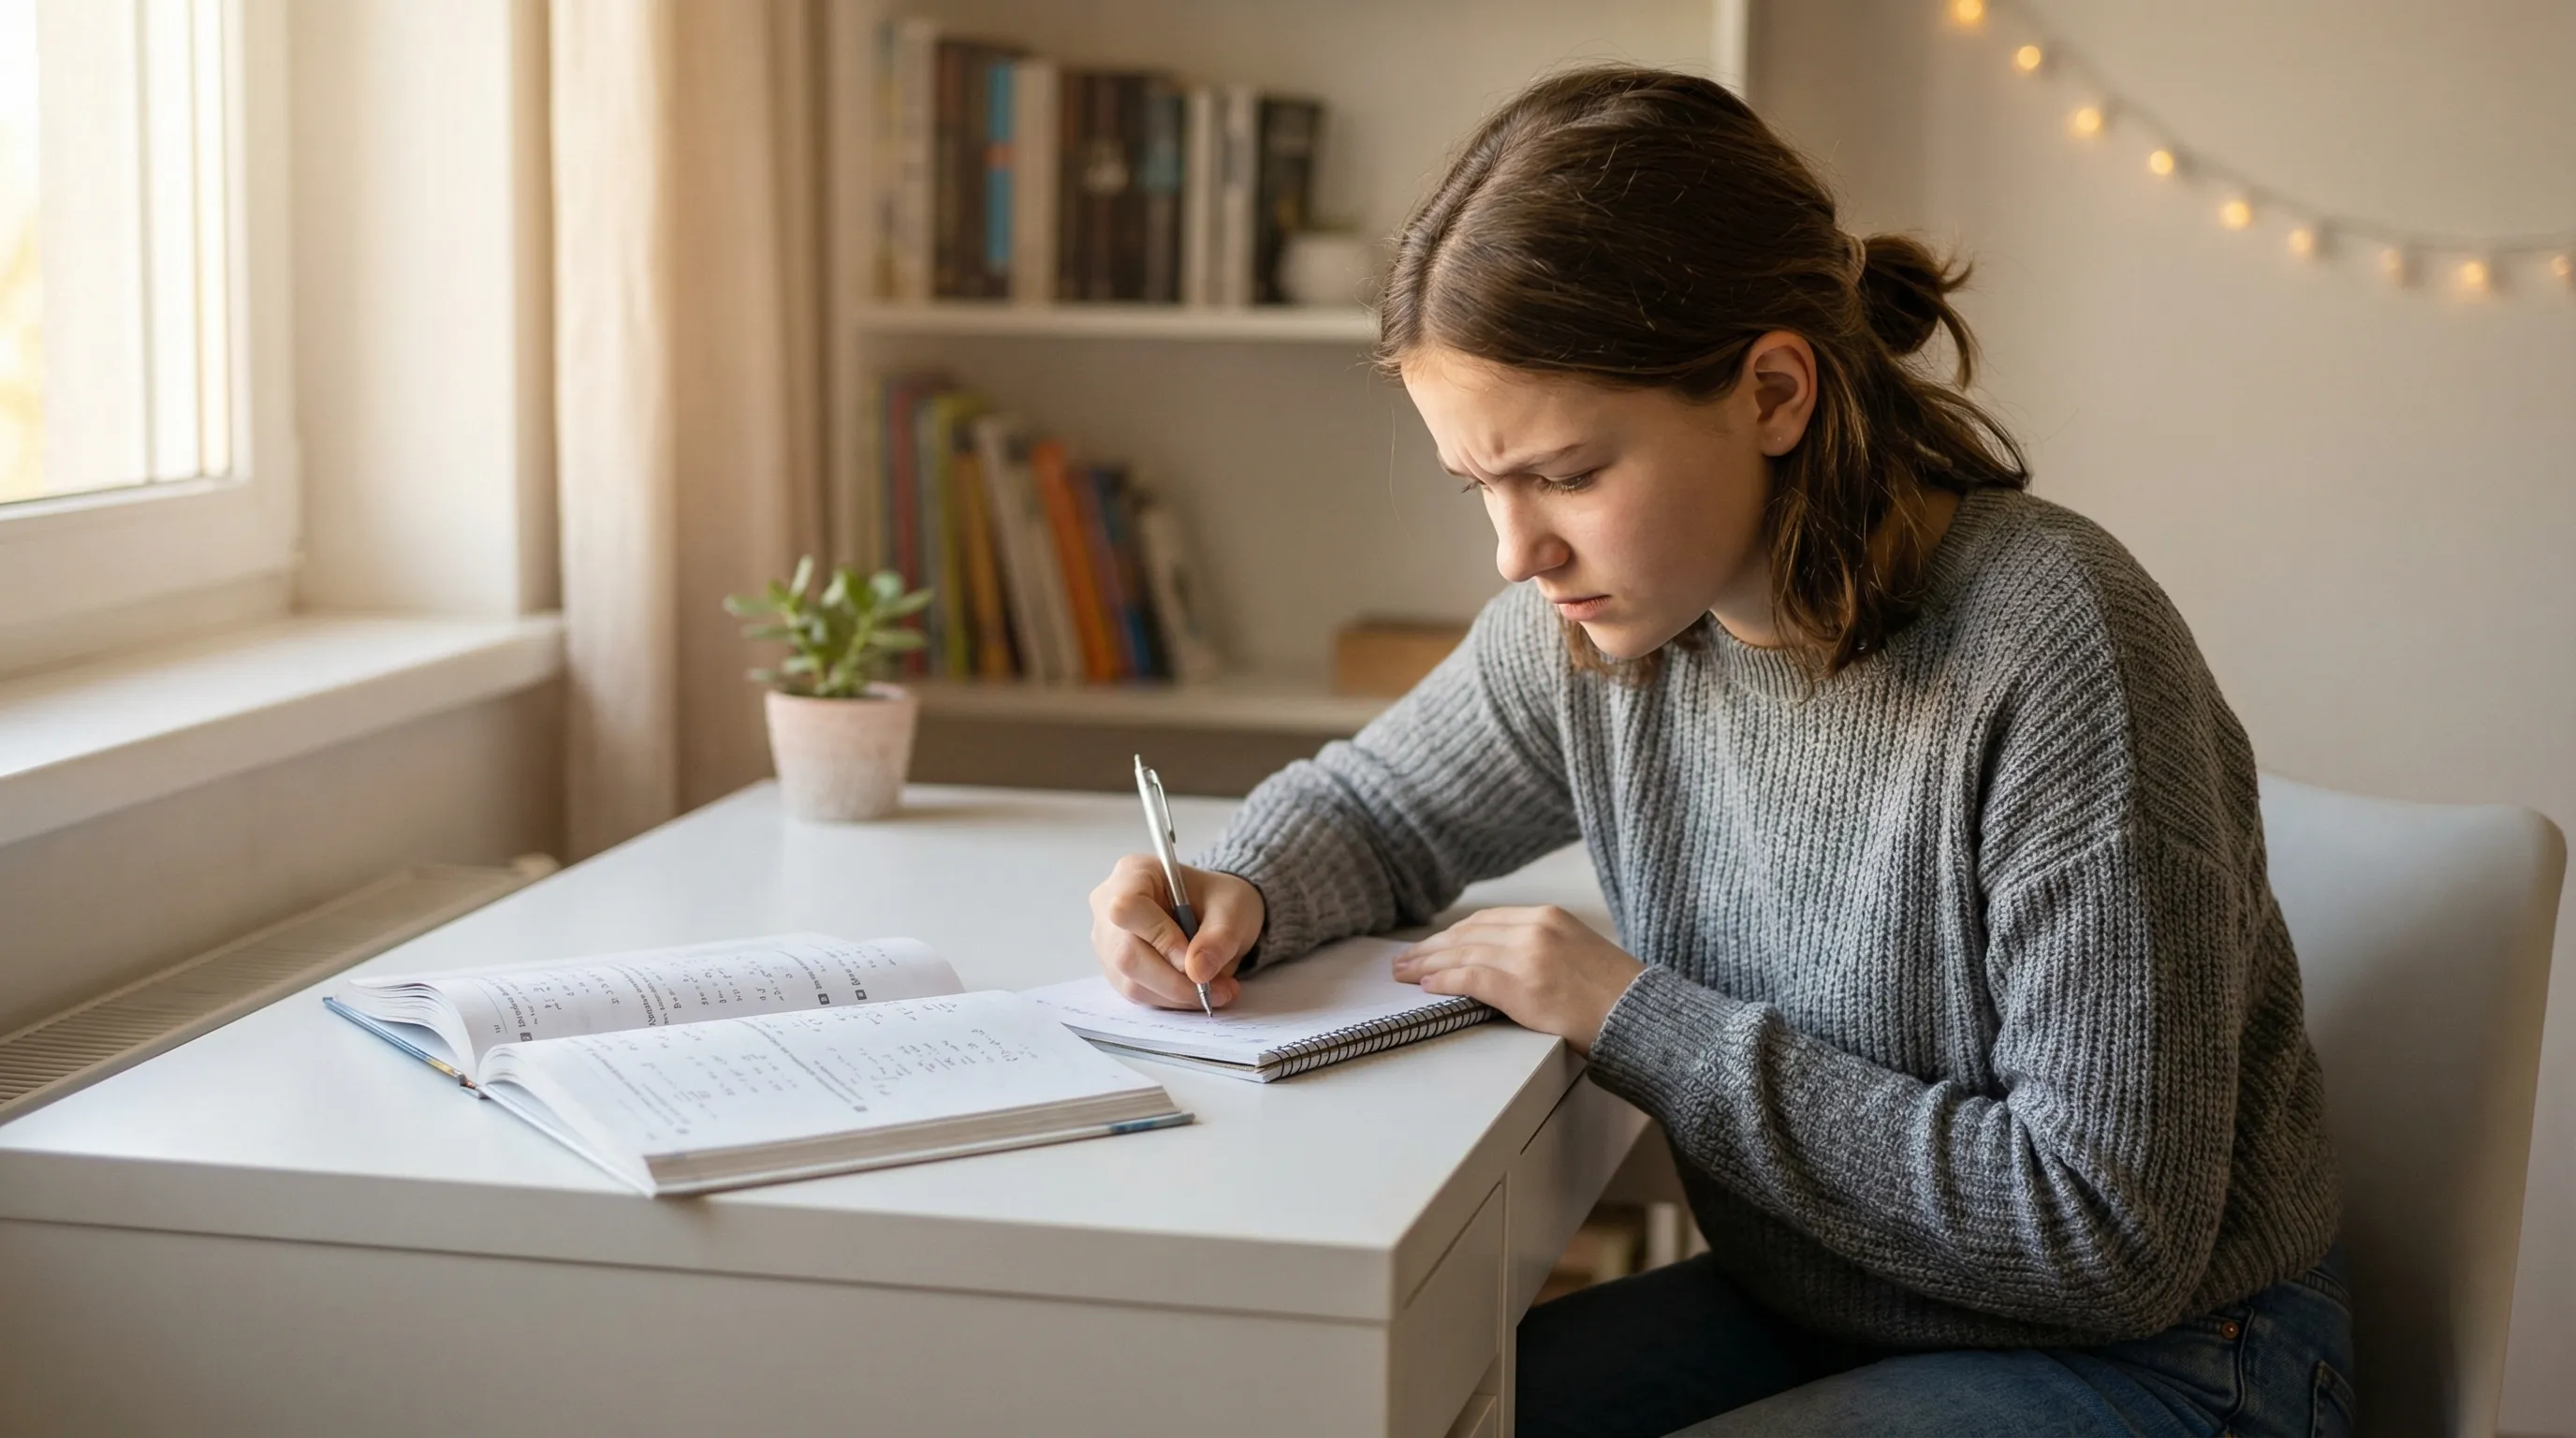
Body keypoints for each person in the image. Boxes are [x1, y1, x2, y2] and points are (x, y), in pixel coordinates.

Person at [1085, 67, 2351, 1438]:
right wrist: (1236, 886)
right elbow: (1382, 807)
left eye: (1568, 475)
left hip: (2177, 1359)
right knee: (1370, 1415)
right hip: (1818, 1307)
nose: (1517, 552)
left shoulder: (2056, 649)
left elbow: (2106, 1233)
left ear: (1773, 391)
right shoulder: (1604, 627)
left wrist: (1632, 1015)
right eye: (1481, 486)